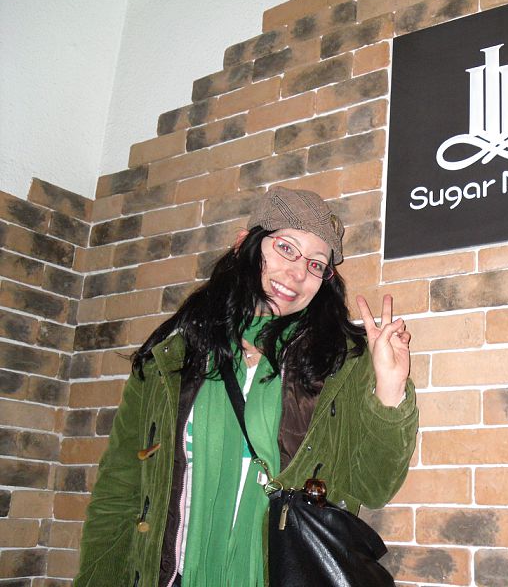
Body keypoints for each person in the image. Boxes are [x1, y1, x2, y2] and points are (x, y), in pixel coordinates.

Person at [75, 186, 419, 587]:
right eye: (286, 248)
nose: (297, 274)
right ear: (246, 246)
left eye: (315, 264)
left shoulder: (340, 364)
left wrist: (390, 388)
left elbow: (372, 487)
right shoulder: (170, 361)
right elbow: (118, 492)